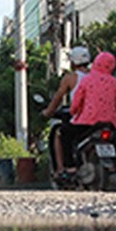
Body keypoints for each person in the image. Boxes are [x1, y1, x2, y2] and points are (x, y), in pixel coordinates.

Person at [44, 46, 91, 176]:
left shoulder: (70, 78)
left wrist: (48, 111)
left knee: (60, 132)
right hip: (100, 119)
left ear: (73, 62)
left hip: (80, 118)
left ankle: (64, 168)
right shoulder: (96, 76)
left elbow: (58, 97)